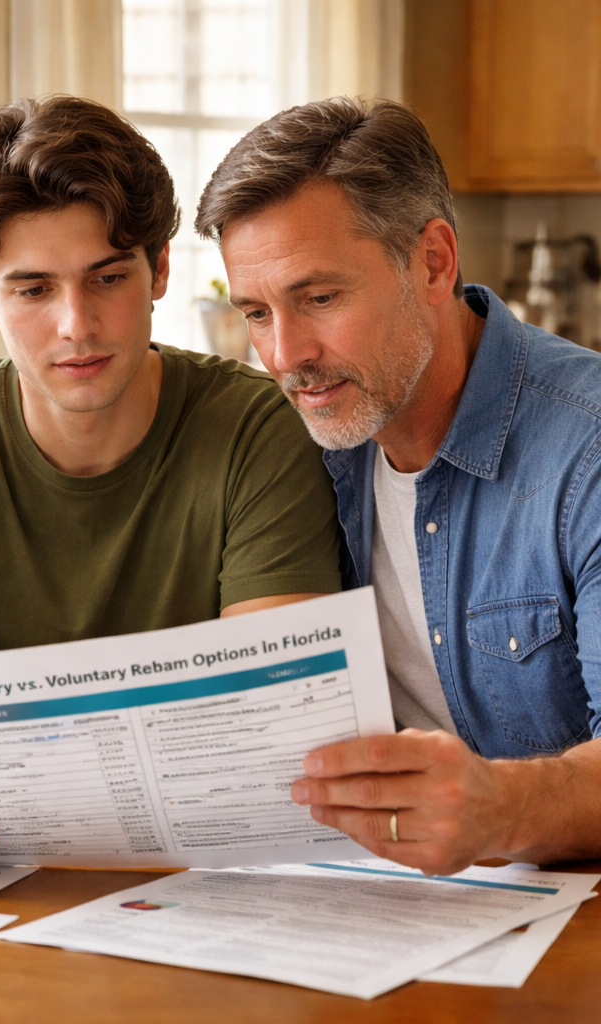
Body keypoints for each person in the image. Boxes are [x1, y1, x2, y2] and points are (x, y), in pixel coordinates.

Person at [0, 96, 343, 880]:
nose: (76, 325)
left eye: (107, 277)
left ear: (160, 268)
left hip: (212, 871)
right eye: (33, 289)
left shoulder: (260, 429)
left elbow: (265, 721)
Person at [195, 97, 601, 874]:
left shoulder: (587, 451)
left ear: (435, 262)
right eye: (255, 311)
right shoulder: (295, 447)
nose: (286, 356)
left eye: (319, 298)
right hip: (365, 905)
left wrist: (503, 807)